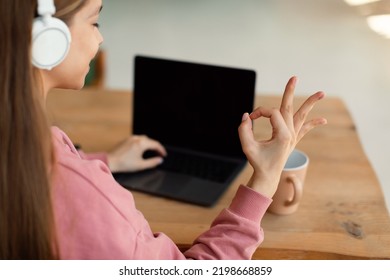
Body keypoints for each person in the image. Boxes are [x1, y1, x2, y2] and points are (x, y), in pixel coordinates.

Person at [0, 0, 327, 260]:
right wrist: (266, 180)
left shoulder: (21, 146)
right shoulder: (85, 199)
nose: (100, 37)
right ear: (46, 39)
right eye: (95, 21)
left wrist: (103, 161)